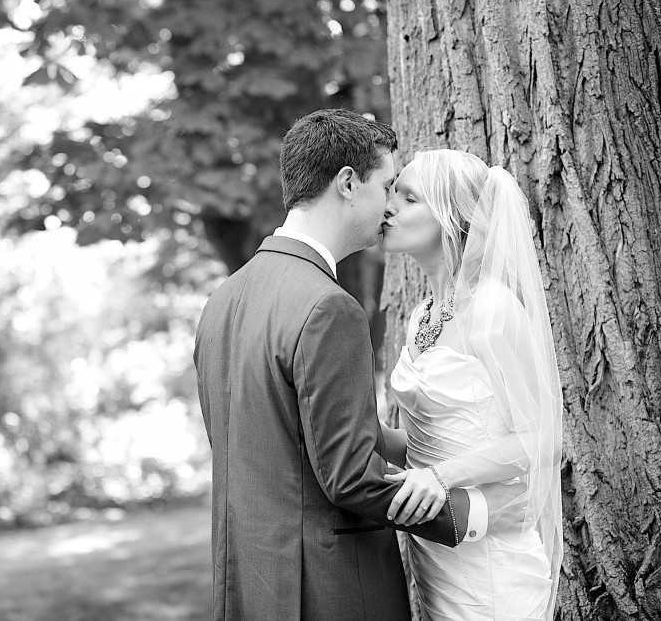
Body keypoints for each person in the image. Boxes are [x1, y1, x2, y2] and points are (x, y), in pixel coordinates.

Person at [194, 110, 491, 620]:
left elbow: (285, 442)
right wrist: (472, 514)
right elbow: (351, 477)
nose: (389, 206)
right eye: (386, 185)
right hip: (329, 589)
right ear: (349, 183)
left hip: (251, 584)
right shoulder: (327, 306)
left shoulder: (223, 300)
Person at [380, 149, 563, 620]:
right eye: (391, 193)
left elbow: (541, 439)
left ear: (450, 217)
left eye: (408, 198)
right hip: (439, 546)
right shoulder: (423, 315)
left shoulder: (493, 309)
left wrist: (441, 478)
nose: (389, 207)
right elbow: (431, 444)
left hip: (493, 561)